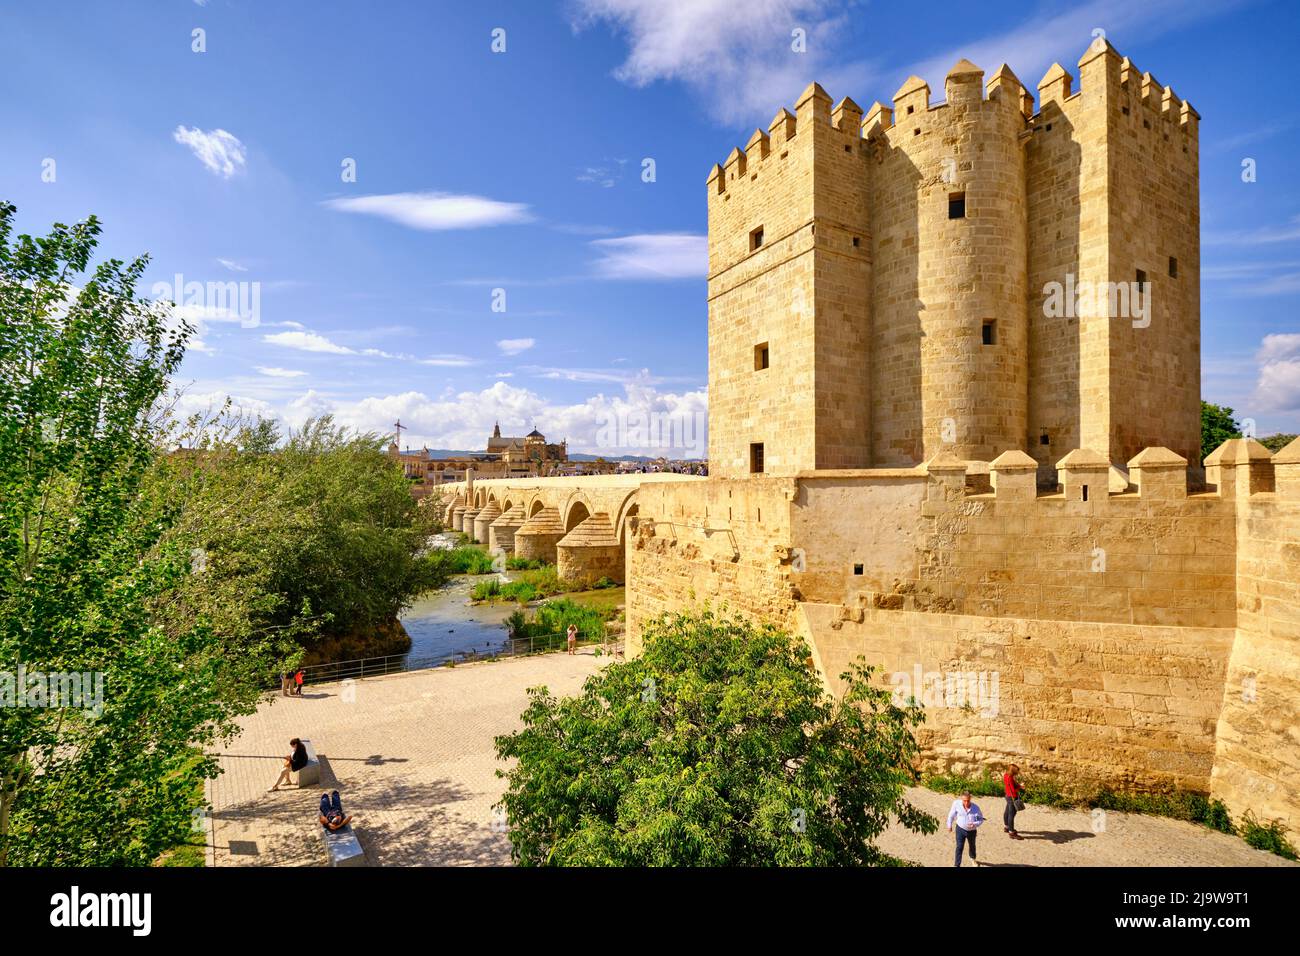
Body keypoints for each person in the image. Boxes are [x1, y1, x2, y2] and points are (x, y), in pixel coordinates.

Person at [946, 791, 985, 867]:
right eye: (964, 801)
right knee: (959, 847)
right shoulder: (956, 804)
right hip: (960, 829)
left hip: (972, 831)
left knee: (972, 845)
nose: (966, 803)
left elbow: (981, 819)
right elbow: (951, 814)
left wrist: (974, 824)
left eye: (968, 800)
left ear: (970, 799)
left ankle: (973, 859)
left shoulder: (976, 808)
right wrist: (949, 825)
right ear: (961, 799)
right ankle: (957, 865)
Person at [1004, 764, 1025, 839]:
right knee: (1011, 814)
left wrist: (1017, 785)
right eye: (1016, 771)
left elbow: (1009, 786)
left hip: (1007, 795)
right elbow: (1013, 790)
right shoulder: (1010, 778)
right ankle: (1011, 832)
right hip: (1012, 797)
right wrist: (1021, 787)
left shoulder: (1006, 775)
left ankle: (1007, 827)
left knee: (1007, 811)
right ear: (1013, 771)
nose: (1017, 773)